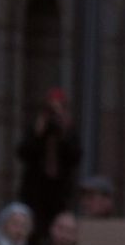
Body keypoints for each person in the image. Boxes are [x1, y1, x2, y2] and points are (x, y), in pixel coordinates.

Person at [15, 87, 81, 227]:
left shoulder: (68, 132)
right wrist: (38, 132)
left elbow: (76, 156)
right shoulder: (36, 130)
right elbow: (23, 153)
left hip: (60, 192)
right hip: (35, 191)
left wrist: (64, 130)